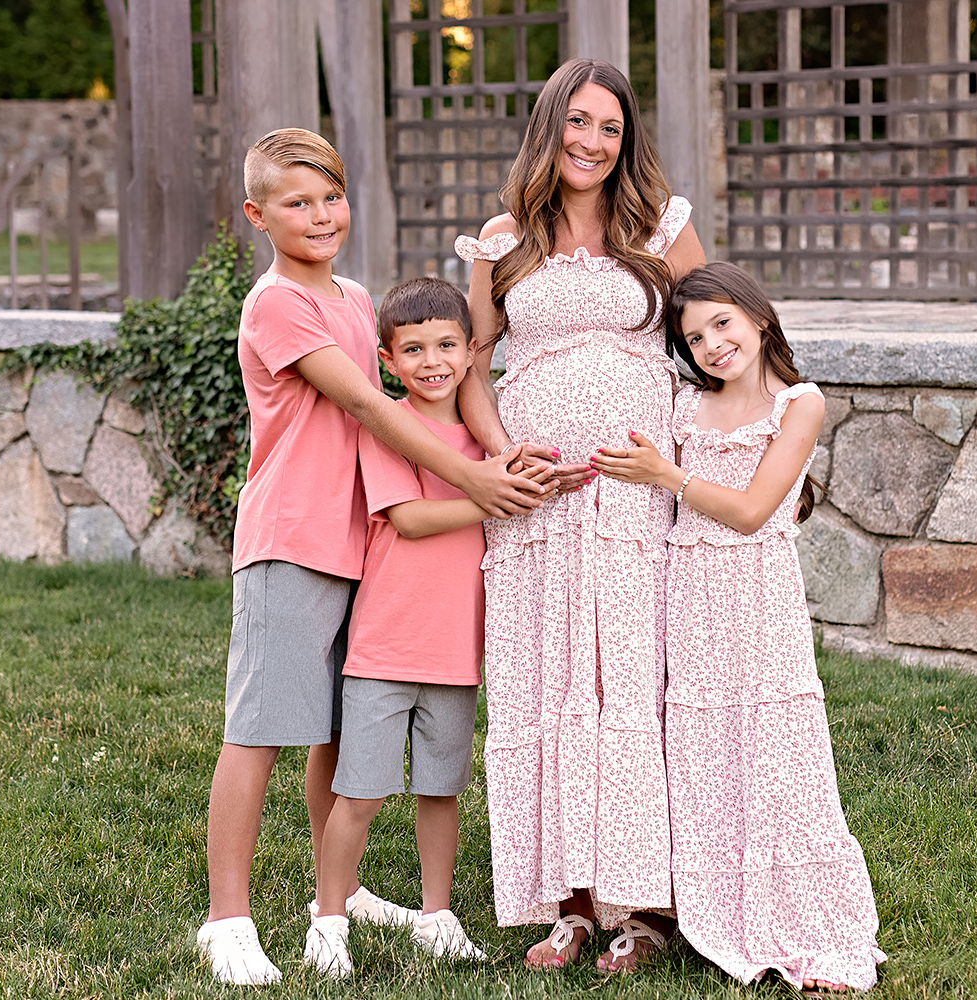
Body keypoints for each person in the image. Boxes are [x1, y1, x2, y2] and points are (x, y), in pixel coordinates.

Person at [195, 129, 548, 986]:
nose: (320, 216)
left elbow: (425, 386)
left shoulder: (356, 299)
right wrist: (472, 479)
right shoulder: (277, 304)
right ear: (257, 216)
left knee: (335, 727)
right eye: (297, 203)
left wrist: (499, 450)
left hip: (361, 545)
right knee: (261, 731)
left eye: (332, 198)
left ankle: (340, 891)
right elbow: (366, 404)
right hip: (292, 540)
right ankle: (226, 919)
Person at [453, 58, 704, 972]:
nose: (592, 142)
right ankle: (570, 902)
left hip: (635, 488)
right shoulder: (503, 240)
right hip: (538, 502)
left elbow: (715, 339)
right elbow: (473, 366)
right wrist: (502, 456)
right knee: (547, 680)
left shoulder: (660, 226)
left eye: (611, 127)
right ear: (549, 124)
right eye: (578, 122)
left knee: (628, 677)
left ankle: (645, 904)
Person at [591, 261, 887, 993]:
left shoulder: (799, 404)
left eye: (722, 323)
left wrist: (668, 476)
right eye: (694, 338)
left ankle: (804, 918)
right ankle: (704, 905)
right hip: (686, 595)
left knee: (774, 753)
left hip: (756, 599)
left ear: (757, 317)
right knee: (700, 752)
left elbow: (754, 511)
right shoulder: (685, 405)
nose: (712, 345)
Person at [305, 277, 502, 978]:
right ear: (387, 360)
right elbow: (410, 520)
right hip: (385, 648)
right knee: (360, 792)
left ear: (470, 352)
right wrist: (495, 497)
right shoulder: (388, 424)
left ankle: (436, 916)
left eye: (446, 345)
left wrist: (515, 479)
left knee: (440, 791)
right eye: (413, 349)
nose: (432, 361)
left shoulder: (488, 440)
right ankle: (330, 918)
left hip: (456, 652)